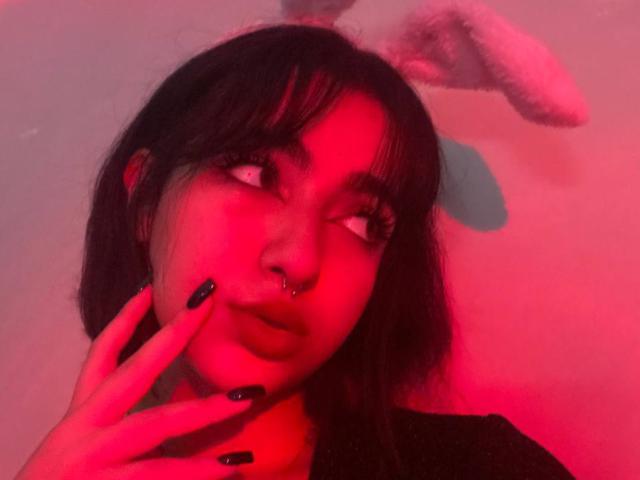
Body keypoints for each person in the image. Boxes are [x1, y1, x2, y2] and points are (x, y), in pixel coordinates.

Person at [15, 23, 575, 480]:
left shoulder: (480, 468)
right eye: (257, 174)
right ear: (144, 200)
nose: (301, 260)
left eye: (362, 222)